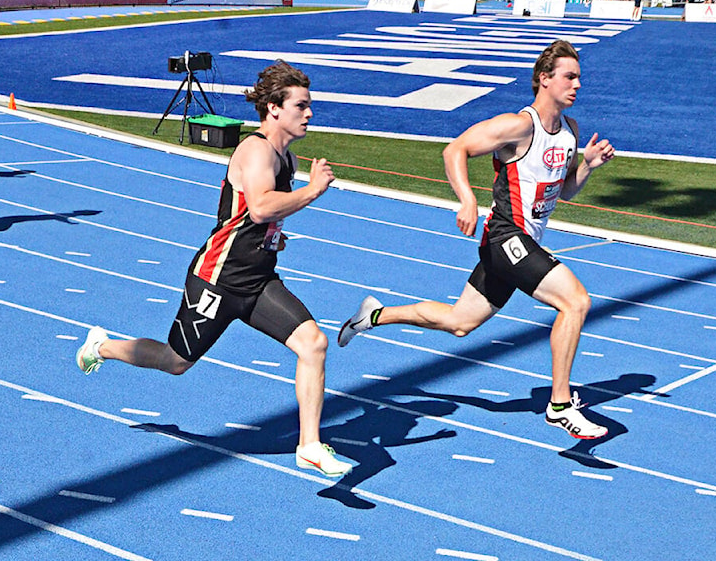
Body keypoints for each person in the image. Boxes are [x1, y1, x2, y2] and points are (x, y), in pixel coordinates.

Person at [76, 61, 353, 479]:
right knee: (175, 361)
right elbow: (259, 207)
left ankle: (309, 445)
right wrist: (313, 192)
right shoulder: (255, 150)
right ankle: (102, 346)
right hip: (217, 279)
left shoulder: (286, 157)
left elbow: (259, 217)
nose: (309, 113)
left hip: (257, 281)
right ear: (274, 109)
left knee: (313, 344)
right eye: (302, 105)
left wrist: (274, 237)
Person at [338, 40, 616, 441]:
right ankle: (559, 405)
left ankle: (373, 315)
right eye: (569, 77)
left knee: (459, 323)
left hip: (522, 243)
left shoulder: (570, 132)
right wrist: (467, 199)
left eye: (579, 78)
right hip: (506, 236)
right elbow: (456, 149)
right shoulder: (519, 126)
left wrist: (587, 166)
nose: (576, 85)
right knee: (576, 301)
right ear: (544, 79)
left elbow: (564, 192)